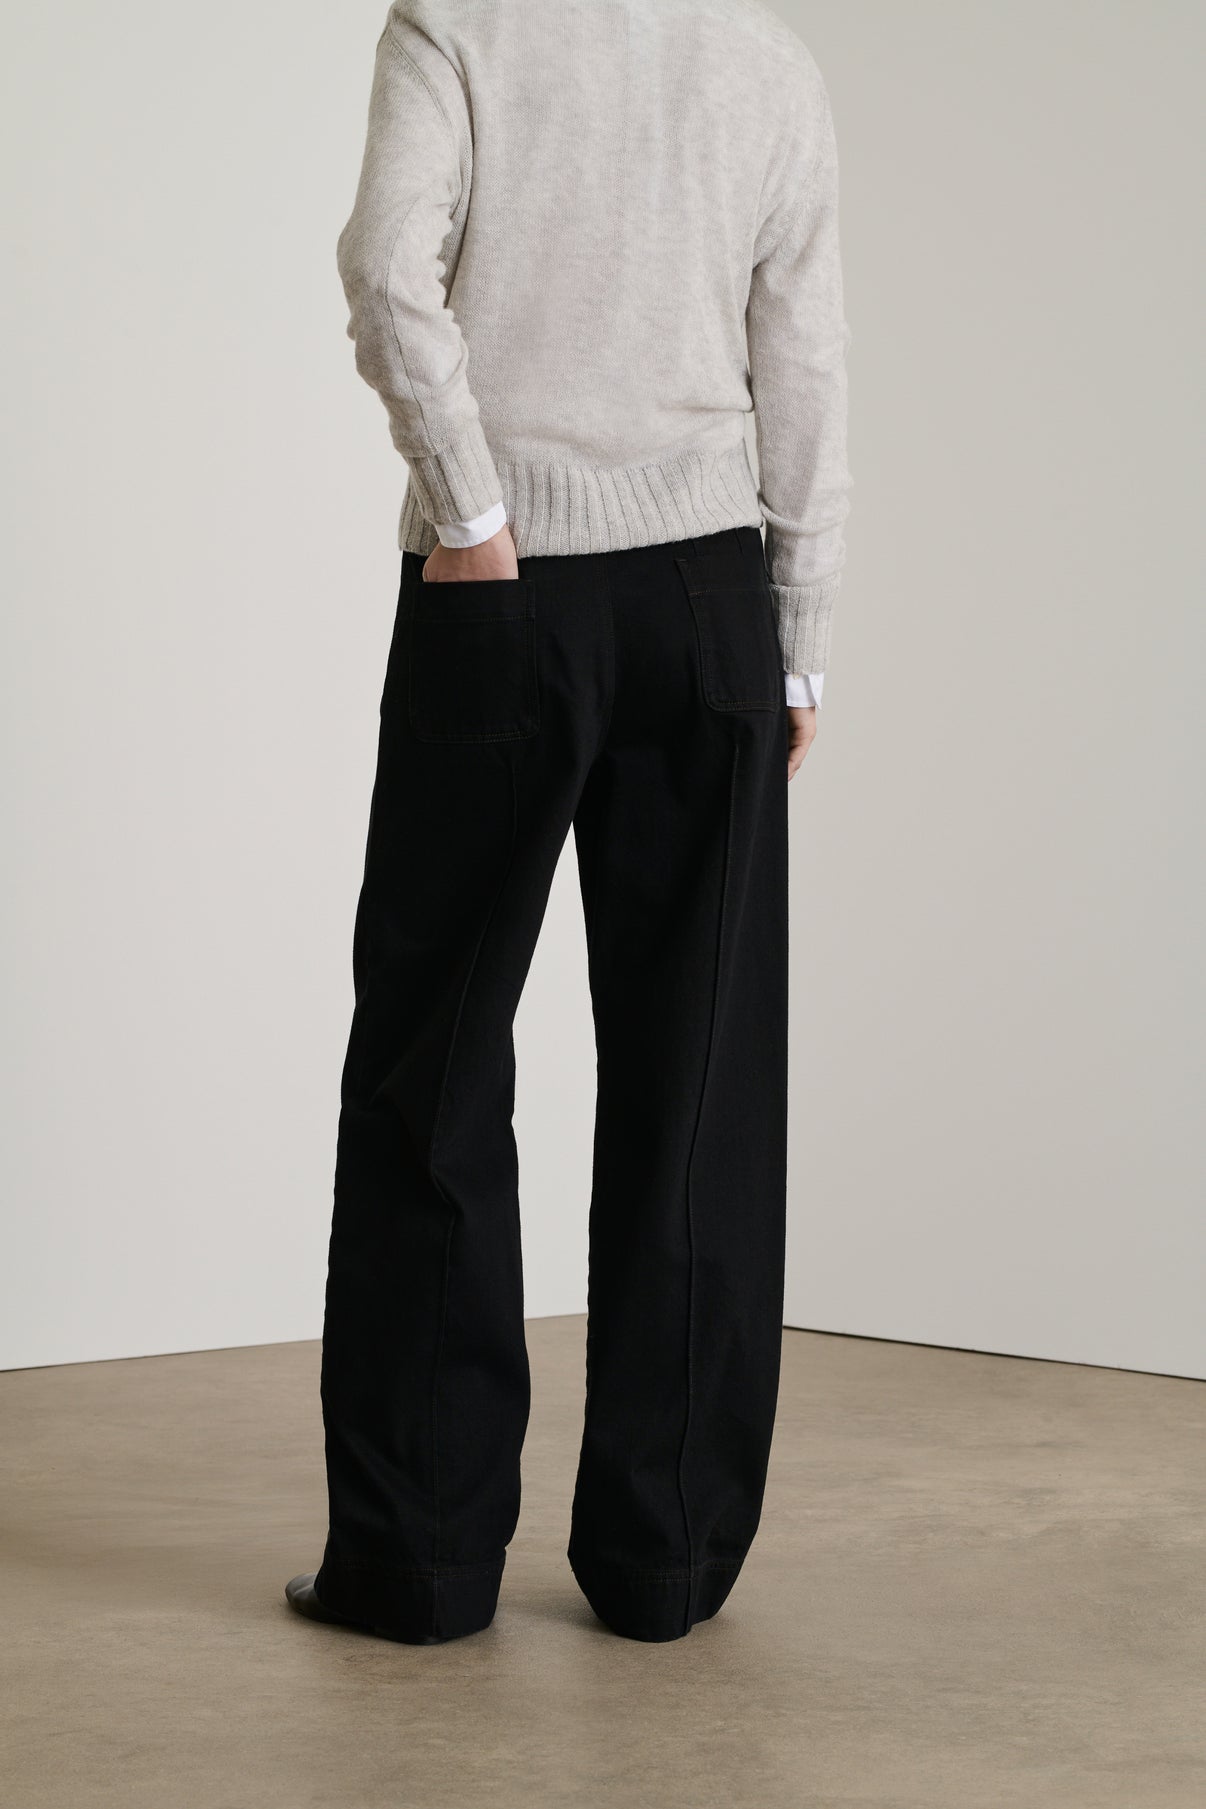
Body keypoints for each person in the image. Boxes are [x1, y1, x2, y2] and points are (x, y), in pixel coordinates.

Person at [286, 0, 853, 1646]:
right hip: (707, 603)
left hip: (500, 592)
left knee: (435, 1063)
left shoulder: (458, 23)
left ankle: (417, 1561)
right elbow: (802, 352)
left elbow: (384, 261)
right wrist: (798, 629)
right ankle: (666, 1562)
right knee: (699, 1084)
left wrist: (470, 506)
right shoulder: (761, 58)